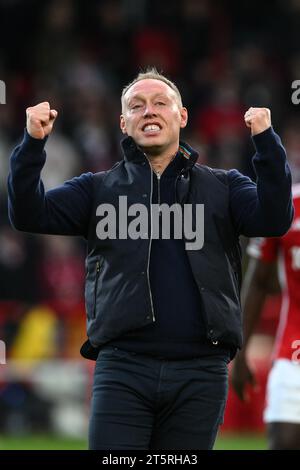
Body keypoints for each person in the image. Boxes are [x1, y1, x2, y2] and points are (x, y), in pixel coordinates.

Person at [7, 68, 293, 450]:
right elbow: (28, 213)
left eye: (161, 103)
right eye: (137, 106)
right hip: (123, 368)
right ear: (124, 123)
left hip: (200, 371)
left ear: (182, 116)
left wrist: (266, 143)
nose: (149, 111)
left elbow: (275, 219)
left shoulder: (224, 187)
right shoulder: (97, 189)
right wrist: (32, 144)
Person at [231, 185, 300, 450]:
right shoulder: (286, 206)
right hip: (292, 356)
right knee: (284, 441)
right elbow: (259, 282)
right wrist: (240, 352)